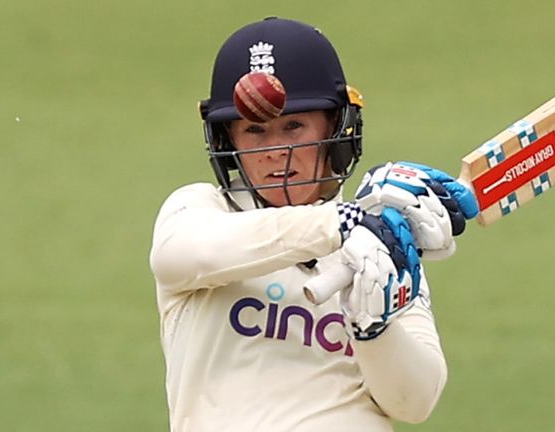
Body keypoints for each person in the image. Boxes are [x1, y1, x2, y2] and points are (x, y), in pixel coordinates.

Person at [149, 17, 478, 432]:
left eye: (294, 126)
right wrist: (340, 225)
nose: (275, 151)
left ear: (338, 128)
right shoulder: (199, 209)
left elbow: (415, 402)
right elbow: (185, 255)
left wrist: (373, 327)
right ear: (225, 140)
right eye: (254, 130)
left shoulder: (380, 248)